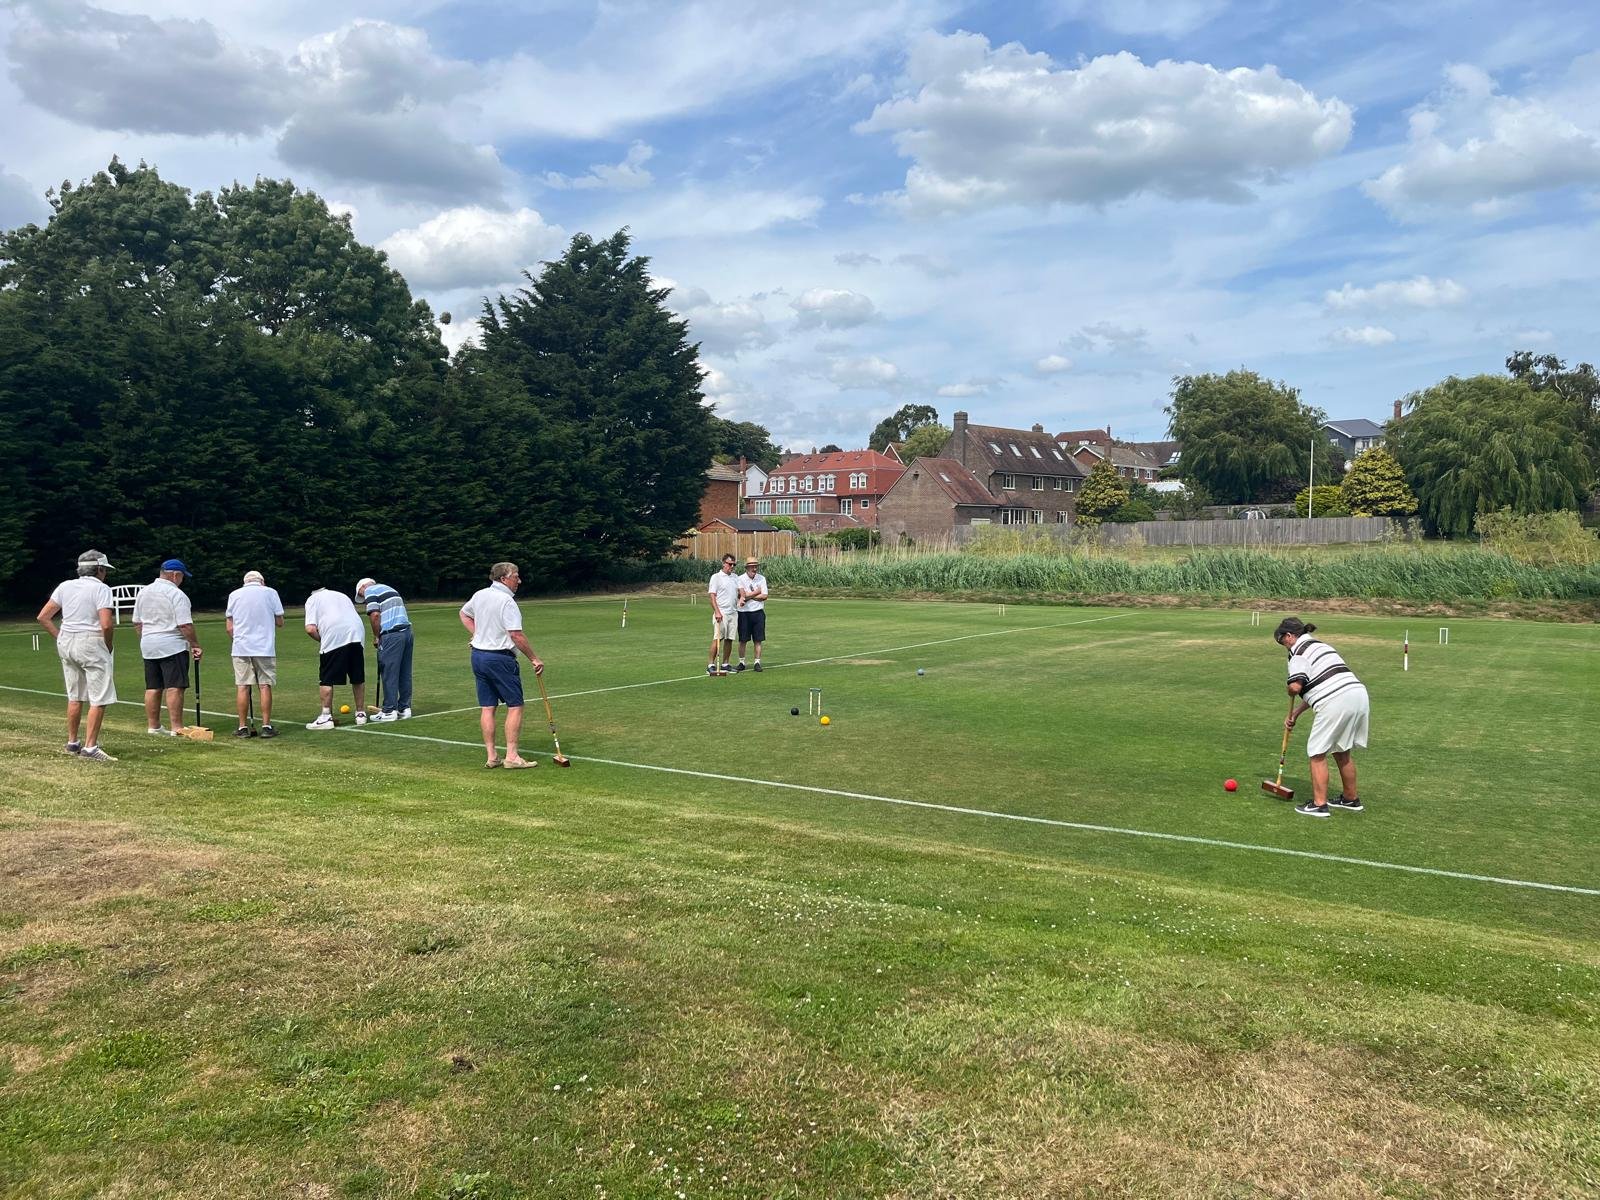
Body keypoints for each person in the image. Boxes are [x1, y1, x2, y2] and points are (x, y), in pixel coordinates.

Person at [1274, 617, 1369, 818]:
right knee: (1341, 750)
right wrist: (1296, 713)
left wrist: (1290, 690)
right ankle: (1350, 799)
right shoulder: (1321, 646)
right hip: (1358, 695)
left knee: (1317, 752)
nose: (1283, 645)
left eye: (1282, 640)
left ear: (1290, 636)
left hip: (1335, 700)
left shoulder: (1298, 653)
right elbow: (1321, 684)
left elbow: (1296, 686)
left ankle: (1319, 804)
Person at [459, 561, 545, 768]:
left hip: (478, 656)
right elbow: (515, 634)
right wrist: (534, 658)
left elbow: (464, 613)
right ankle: (512, 757)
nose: (519, 580)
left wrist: (477, 635)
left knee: (488, 707)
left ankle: (492, 756)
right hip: (499, 658)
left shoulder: (480, 594)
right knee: (515, 705)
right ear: (504, 578)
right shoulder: (507, 601)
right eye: (516, 576)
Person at [37, 549, 120, 761]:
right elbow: (106, 624)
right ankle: (91, 748)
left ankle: (73, 742)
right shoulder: (102, 589)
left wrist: (60, 637)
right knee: (99, 697)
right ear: (99, 569)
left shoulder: (65, 586)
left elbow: (44, 617)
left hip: (67, 641)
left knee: (74, 695)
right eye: (104, 570)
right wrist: (108, 646)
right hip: (91, 642)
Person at [131, 559, 203, 737]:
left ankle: (153, 726)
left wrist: (146, 638)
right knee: (175, 686)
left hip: (148, 644)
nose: (182, 580)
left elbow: (137, 622)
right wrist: (195, 645)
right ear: (175, 575)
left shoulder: (143, 592)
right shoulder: (177, 595)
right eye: (182, 577)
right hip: (172, 644)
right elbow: (185, 624)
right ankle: (176, 727)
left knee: (153, 686)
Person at [226, 569, 284, 737]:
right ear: (262, 581)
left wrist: (238, 640)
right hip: (264, 647)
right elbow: (280, 622)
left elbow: (229, 627)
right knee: (264, 685)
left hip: (241, 647)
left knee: (242, 686)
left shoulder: (234, 594)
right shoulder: (271, 592)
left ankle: (242, 727)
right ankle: (266, 726)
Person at [304, 583, 367, 729]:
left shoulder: (312, 599)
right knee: (357, 676)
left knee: (326, 679)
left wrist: (323, 639)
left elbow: (310, 629)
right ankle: (360, 714)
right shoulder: (341, 595)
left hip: (334, 635)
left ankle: (326, 717)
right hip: (357, 634)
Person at [356, 577, 413, 721]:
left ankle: (389, 711)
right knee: (404, 672)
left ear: (363, 587)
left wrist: (376, 636)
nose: (364, 598)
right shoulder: (389, 588)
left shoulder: (370, 591)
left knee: (389, 672)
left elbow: (375, 615)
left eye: (361, 595)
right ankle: (404, 708)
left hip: (391, 634)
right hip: (407, 633)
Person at [706, 553, 739, 676]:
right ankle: (710, 664)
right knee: (718, 638)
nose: (732, 566)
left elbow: (739, 592)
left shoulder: (735, 577)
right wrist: (717, 611)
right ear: (724, 563)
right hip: (721, 613)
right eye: (730, 564)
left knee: (729, 639)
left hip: (733, 613)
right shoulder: (716, 577)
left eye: (734, 564)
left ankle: (725, 664)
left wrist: (741, 598)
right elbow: (712, 597)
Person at [736, 556, 769, 672]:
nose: (754, 569)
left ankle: (757, 662)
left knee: (758, 639)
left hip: (758, 612)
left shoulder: (762, 579)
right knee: (743, 639)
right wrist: (756, 592)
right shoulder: (740, 579)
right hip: (744, 613)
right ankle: (741, 662)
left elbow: (764, 596)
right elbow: (741, 596)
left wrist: (749, 596)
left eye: (756, 566)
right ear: (747, 567)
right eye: (752, 567)